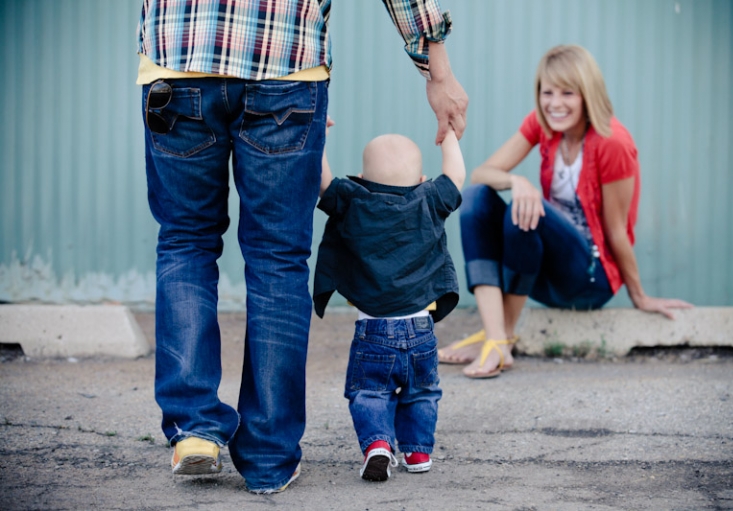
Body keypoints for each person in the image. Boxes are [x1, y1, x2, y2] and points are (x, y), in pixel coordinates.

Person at [137, 0, 467, 494]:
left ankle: (195, 430)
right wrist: (437, 70)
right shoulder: (428, 196)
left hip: (178, 60)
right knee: (276, 258)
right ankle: (269, 457)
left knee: (186, 242)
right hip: (284, 67)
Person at [438, 45, 692, 379]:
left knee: (525, 210)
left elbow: (618, 229)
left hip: (590, 278)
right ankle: (496, 336)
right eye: (547, 92)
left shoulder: (613, 143)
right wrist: (517, 181)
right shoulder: (542, 125)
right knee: (476, 197)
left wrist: (639, 296)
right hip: (543, 271)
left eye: (567, 93)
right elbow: (482, 174)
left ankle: (501, 338)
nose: (555, 104)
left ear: (588, 93)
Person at [313, 125, 465, 481]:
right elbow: (456, 175)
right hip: (421, 332)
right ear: (423, 178)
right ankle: (417, 452)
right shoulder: (430, 199)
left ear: (363, 178)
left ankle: (378, 445)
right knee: (421, 393)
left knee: (369, 392)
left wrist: (318, 134)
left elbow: (322, 181)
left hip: (373, 331)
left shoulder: (353, 200)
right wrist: (449, 134)